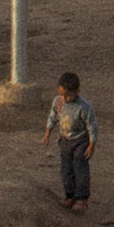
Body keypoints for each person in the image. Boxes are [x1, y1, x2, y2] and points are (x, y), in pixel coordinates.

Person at [44, 71, 96, 212]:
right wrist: (48, 131)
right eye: (63, 94)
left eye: (69, 95)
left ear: (78, 91)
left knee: (79, 168)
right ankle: (70, 195)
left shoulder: (84, 107)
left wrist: (92, 145)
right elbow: (53, 116)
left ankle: (82, 199)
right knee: (66, 169)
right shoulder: (58, 101)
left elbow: (92, 126)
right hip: (65, 140)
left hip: (80, 141)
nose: (66, 98)